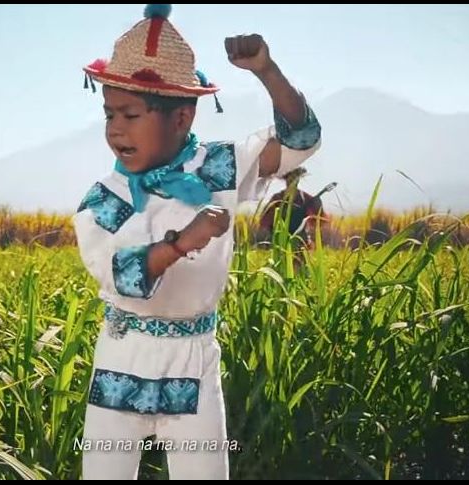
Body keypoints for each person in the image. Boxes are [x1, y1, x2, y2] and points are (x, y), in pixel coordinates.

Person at [73, 4, 321, 479]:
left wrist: (267, 72)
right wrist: (180, 243)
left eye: (130, 114)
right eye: (109, 114)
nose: (115, 129)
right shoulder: (105, 198)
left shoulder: (218, 168)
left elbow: (301, 141)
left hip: (193, 358)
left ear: (182, 118)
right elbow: (117, 274)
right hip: (122, 355)